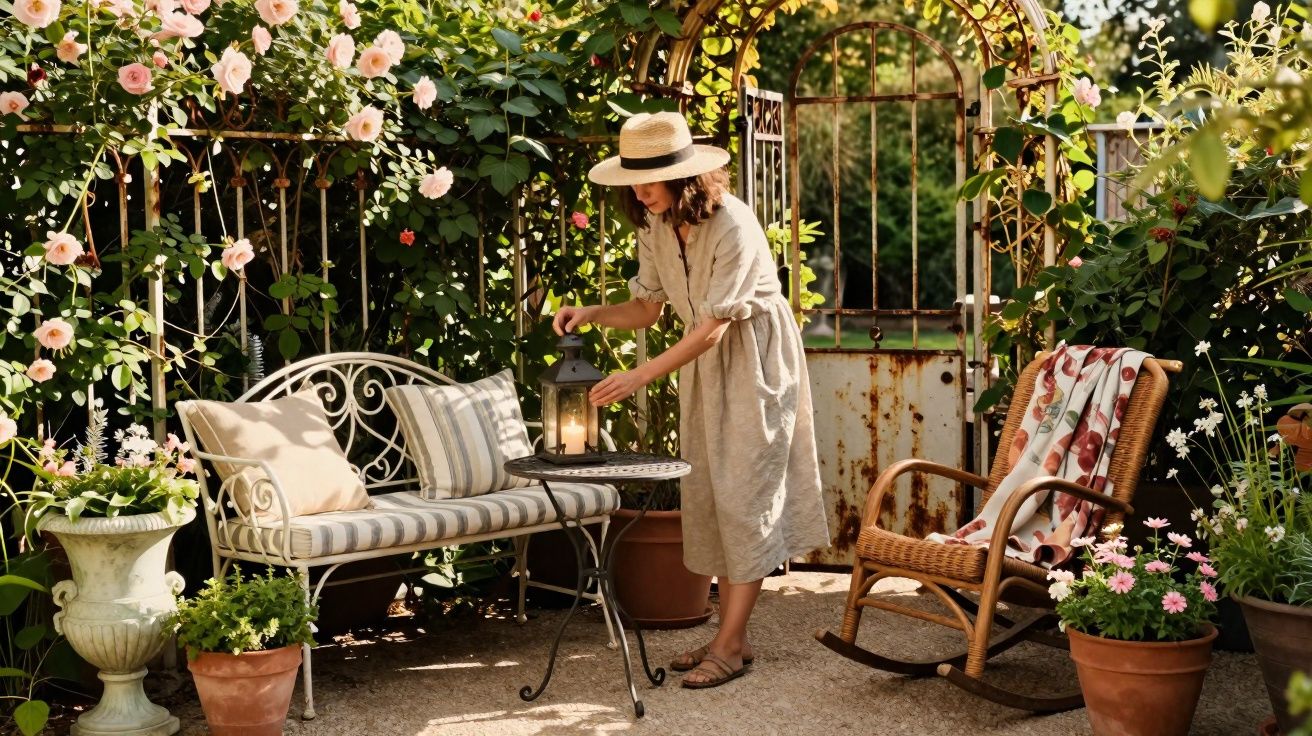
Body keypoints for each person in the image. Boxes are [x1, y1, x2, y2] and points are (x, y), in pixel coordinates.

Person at [552, 111, 830, 689]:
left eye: (652, 176)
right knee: (713, 495)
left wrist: (638, 377)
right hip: (701, 369)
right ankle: (736, 635)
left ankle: (728, 645)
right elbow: (648, 308)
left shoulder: (732, 224)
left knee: (744, 494)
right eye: (635, 177)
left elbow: (714, 328)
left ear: (685, 176)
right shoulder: (654, 226)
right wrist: (593, 312)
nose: (641, 189)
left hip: (753, 362)